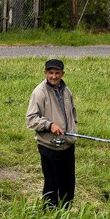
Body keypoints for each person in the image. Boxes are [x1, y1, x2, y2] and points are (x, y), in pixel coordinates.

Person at [26, 59, 78, 209]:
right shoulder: (39, 92)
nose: (54, 76)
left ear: (62, 74)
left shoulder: (66, 91)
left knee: (68, 186)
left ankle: (65, 218)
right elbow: (31, 120)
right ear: (45, 73)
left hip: (67, 145)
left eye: (57, 73)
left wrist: (73, 131)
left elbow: (73, 114)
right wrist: (49, 125)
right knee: (52, 186)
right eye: (50, 73)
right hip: (49, 146)